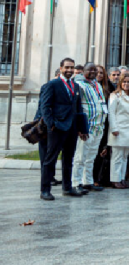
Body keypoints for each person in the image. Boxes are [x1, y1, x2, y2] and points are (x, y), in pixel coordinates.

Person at [39, 58, 89, 200]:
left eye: (71, 67)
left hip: (72, 128)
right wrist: (51, 124)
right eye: (67, 67)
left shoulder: (75, 86)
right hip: (57, 127)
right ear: (61, 68)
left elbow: (78, 108)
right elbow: (45, 106)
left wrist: (81, 128)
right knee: (50, 159)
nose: (69, 70)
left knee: (68, 159)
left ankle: (67, 188)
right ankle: (45, 190)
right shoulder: (52, 84)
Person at [71, 63, 107, 192]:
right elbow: (76, 107)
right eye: (90, 70)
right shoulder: (79, 84)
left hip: (98, 126)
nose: (93, 72)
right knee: (80, 157)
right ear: (83, 71)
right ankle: (76, 182)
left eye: (94, 70)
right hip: (87, 127)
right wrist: (80, 128)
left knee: (91, 157)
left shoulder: (97, 84)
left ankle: (88, 181)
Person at [107, 72, 129, 189]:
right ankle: (115, 179)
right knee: (117, 156)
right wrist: (114, 128)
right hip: (119, 129)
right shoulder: (115, 95)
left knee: (125, 156)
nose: (126, 84)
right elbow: (111, 113)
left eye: (128, 82)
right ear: (120, 83)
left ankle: (121, 178)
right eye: (124, 82)